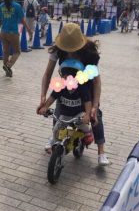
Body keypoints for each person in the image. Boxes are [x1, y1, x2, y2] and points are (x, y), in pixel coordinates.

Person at [37, 23, 110, 166]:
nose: (69, 51)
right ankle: (55, 139)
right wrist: (43, 98)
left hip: (85, 87)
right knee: (58, 114)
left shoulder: (90, 53)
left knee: (96, 116)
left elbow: (96, 82)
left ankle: (101, 152)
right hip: (65, 86)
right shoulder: (57, 50)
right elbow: (47, 74)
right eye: (67, 48)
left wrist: (94, 106)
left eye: (73, 49)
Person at [37, 60, 94, 147]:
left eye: (68, 76)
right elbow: (52, 97)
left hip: (79, 114)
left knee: (84, 127)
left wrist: (87, 115)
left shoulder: (82, 88)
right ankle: (55, 145)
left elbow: (87, 102)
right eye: (63, 75)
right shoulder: (61, 86)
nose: (65, 78)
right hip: (65, 115)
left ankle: (88, 132)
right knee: (56, 130)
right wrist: (45, 107)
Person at [0, 0, 32, 78]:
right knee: (17, 52)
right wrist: (28, 29)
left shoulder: (1, 6)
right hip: (13, 32)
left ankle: (7, 72)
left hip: (3, 31)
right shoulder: (17, 6)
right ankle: (8, 66)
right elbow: (22, 20)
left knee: (5, 52)